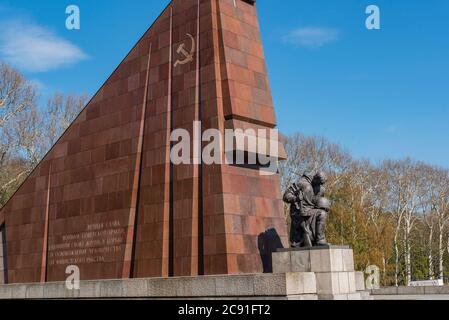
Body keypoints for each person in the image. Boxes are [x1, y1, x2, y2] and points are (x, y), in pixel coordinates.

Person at [283, 171, 330, 248]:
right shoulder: (302, 184)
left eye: (321, 184)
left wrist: (322, 203)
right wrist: (296, 198)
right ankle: (319, 240)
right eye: (319, 183)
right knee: (322, 214)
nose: (320, 186)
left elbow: (314, 200)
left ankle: (319, 240)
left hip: (310, 210)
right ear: (315, 179)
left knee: (322, 212)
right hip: (299, 213)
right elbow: (285, 196)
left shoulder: (318, 188)